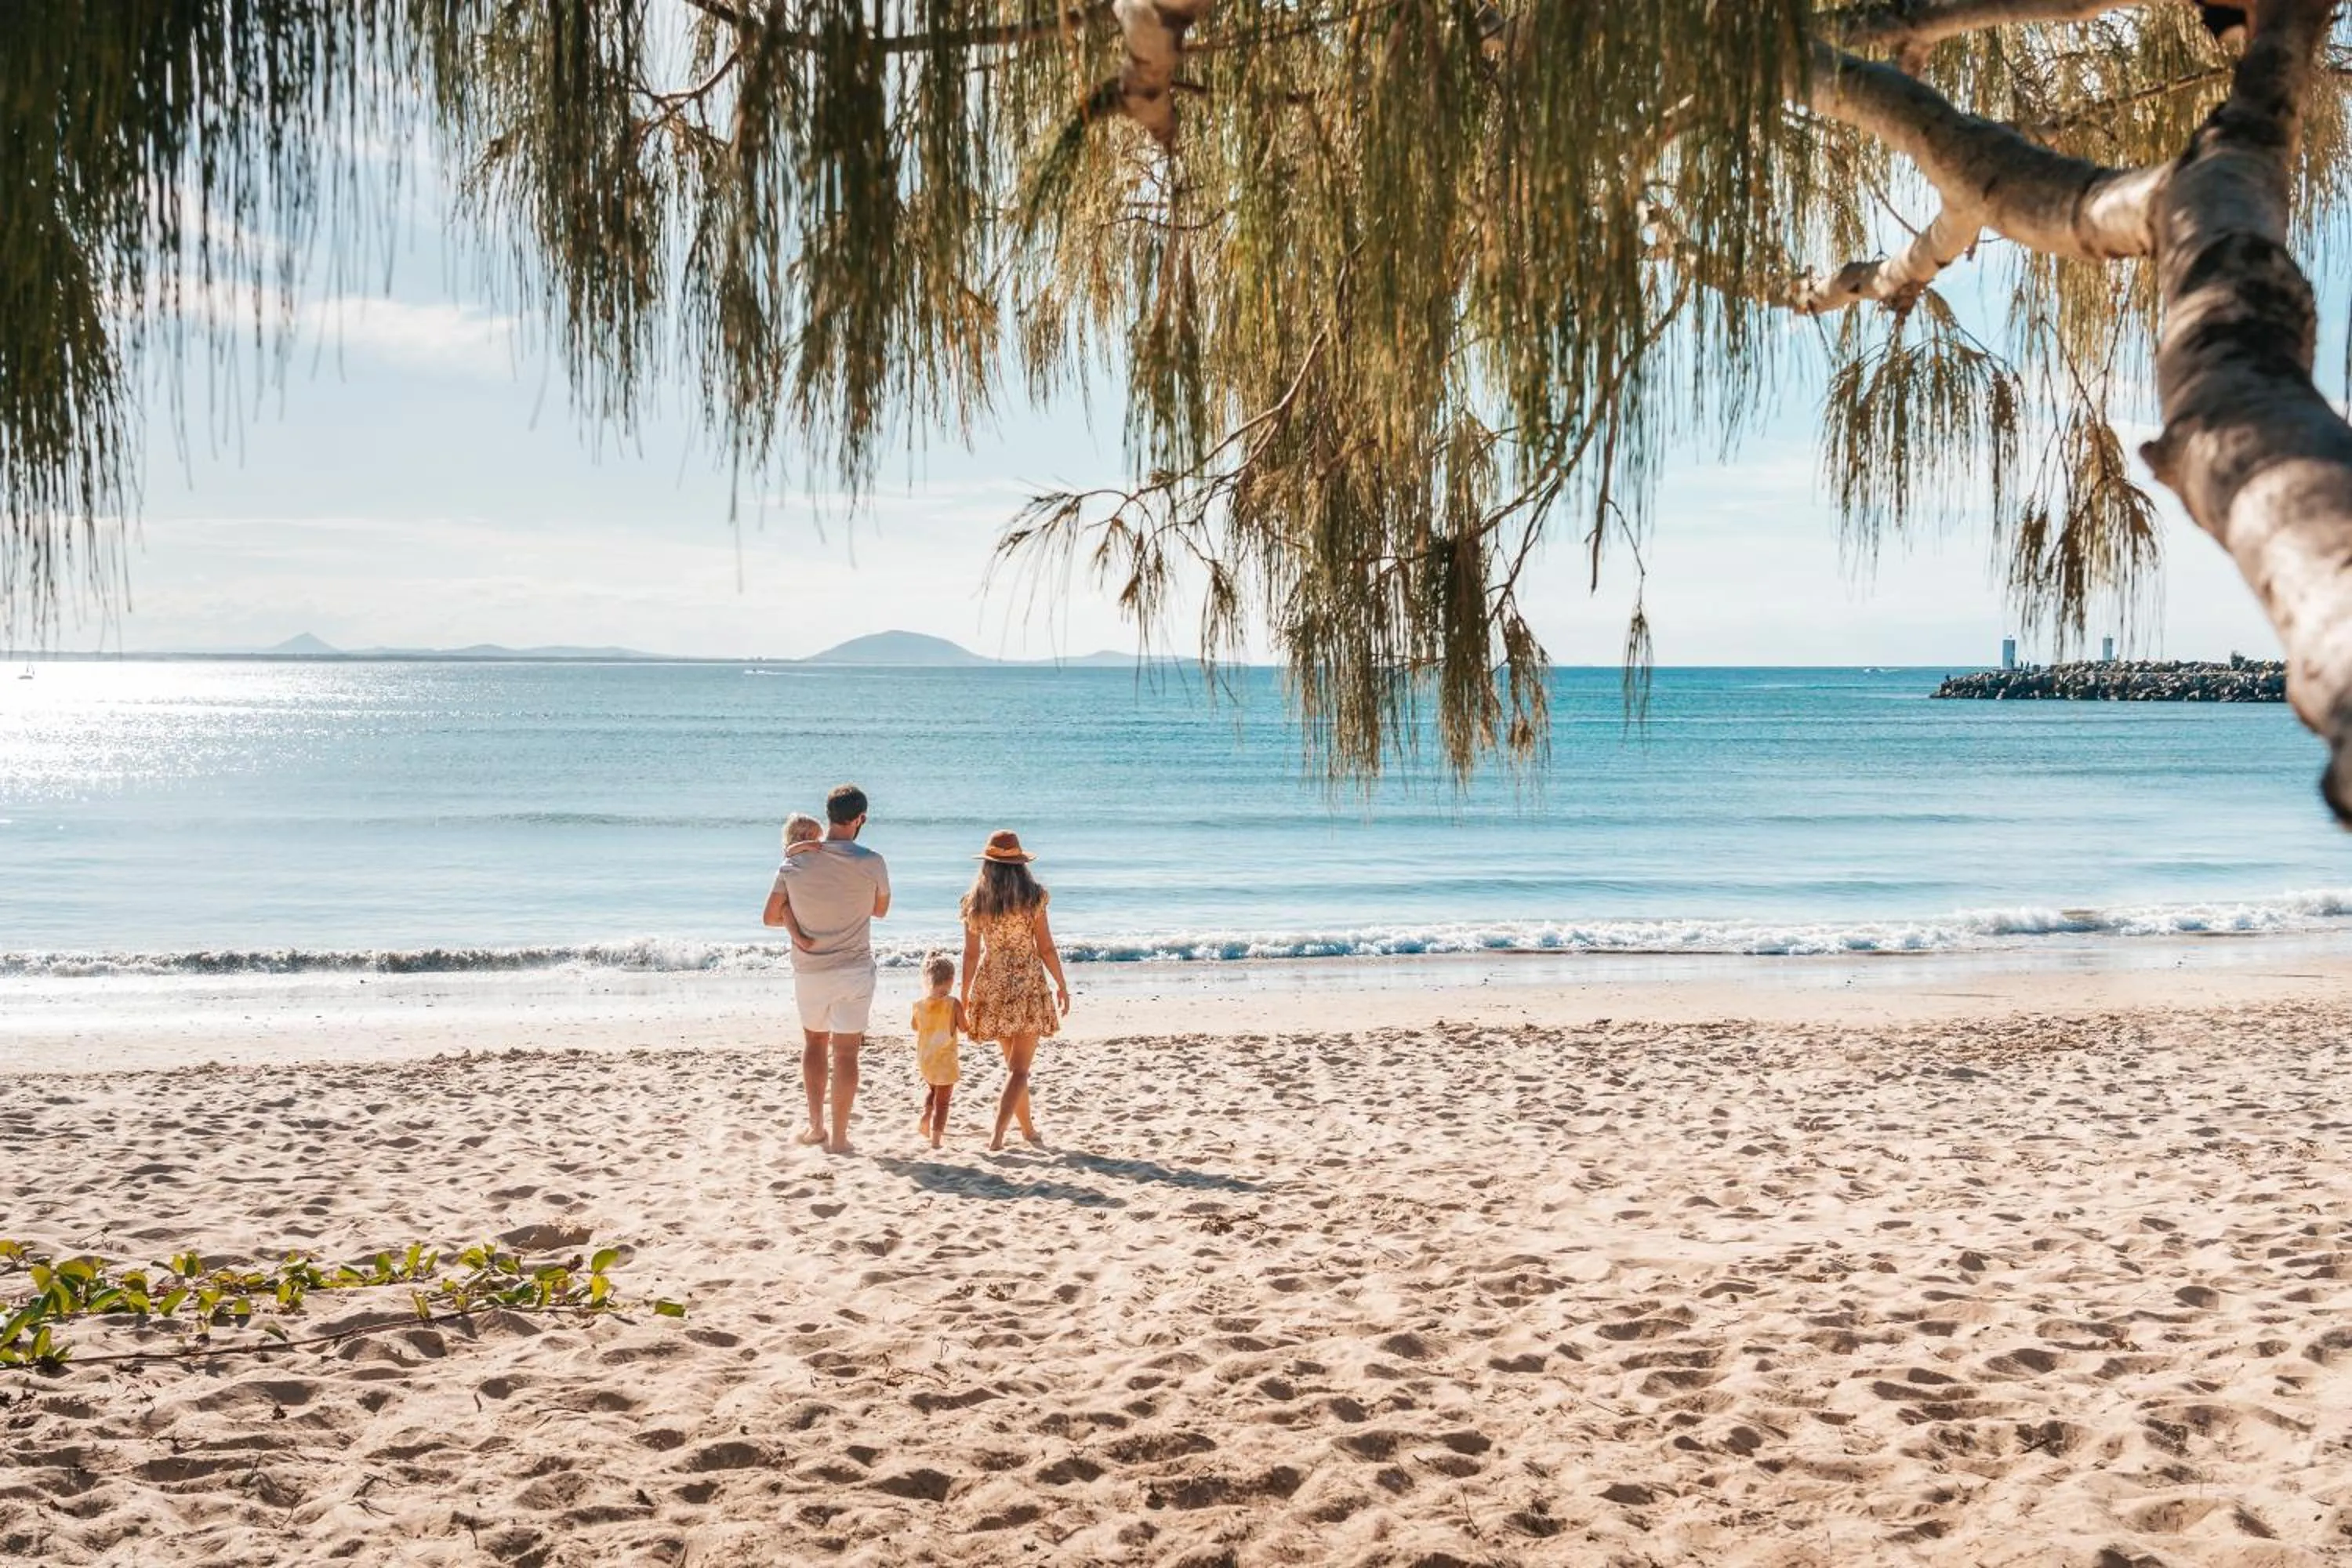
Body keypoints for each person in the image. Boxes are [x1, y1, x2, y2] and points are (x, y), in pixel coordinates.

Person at [762, 784, 890, 1153]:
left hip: (810, 970)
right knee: (847, 1052)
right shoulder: (872, 862)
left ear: (829, 816)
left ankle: (816, 1127)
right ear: (861, 819)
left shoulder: (794, 862)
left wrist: (795, 925)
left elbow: (769, 916)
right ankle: (839, 1137)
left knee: (814, 1043)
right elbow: (880, 911)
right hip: (854, 968)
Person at [958, 829, 1069, 1152]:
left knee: (1013, 1068)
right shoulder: (1034, 897)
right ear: (1020, 864)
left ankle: (1029, 1130)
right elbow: (1046, 947)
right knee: (1019, 1069)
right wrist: (1061, 983)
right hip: (1027, 983)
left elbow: (970, 954)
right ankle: (997, 1135)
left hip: (992, 983)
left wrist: (965, 995)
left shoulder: (975, 901)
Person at [910, 953, 965, 1149]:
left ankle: (925, 1119)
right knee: (943, 1101)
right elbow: (964, 1027)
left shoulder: (919, 1005)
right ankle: (935, 1140)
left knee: (932, 1090)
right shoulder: (953, 1003)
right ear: (951, 979)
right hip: (944, 1061)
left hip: (926, 1058)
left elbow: (915, 1027)